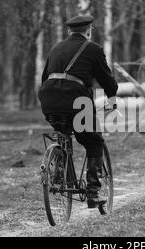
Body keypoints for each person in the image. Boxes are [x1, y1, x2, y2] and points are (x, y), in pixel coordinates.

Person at [38, 15, 118, 209]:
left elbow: (44, 77)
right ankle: (93, 192)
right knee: (94, 141)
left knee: (63, 133)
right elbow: (106, 79)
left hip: (48, 100)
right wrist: (112, 98)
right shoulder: (94, 49)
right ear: (89, 30)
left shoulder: (56, 48)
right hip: (77, 101)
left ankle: (58, 170)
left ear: (68, 31)